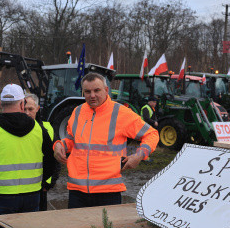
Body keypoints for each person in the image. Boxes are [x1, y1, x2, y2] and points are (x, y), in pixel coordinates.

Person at [53, 73, 159, 209]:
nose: (92, 95)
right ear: (83, 92)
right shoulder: (77, 112)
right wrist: (59, 145)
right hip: (77, 191)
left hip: (108, 192)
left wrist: (139, 155)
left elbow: (152, 134)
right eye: (87, 91)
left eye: (97, 90)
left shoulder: (121, 113)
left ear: (106, 90)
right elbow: (72, 140)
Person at [0, 84, 56, 217]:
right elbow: (51, 160)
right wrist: (40, 181)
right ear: (22, 104)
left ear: (0, 104)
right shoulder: (39, 130)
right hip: (32, 194)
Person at [24, 94, 60, 211]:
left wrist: (49, 183)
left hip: (40, 187)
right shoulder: (16, 129)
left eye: (30, 109)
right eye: (24, 109)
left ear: (37, 109)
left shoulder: (47, 129)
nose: (27, 113)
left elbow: (56, 159)